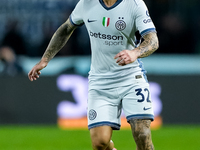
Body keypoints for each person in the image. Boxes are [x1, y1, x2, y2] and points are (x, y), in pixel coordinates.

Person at [28, 0, 159, 149]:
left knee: (142, 134)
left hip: (131, 77)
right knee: (100, 143)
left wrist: (135, 52)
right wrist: (45, 59)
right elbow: (65, 29)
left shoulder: (134, 4)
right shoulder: (86, 4)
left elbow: (153, 40)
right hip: (100, 82)